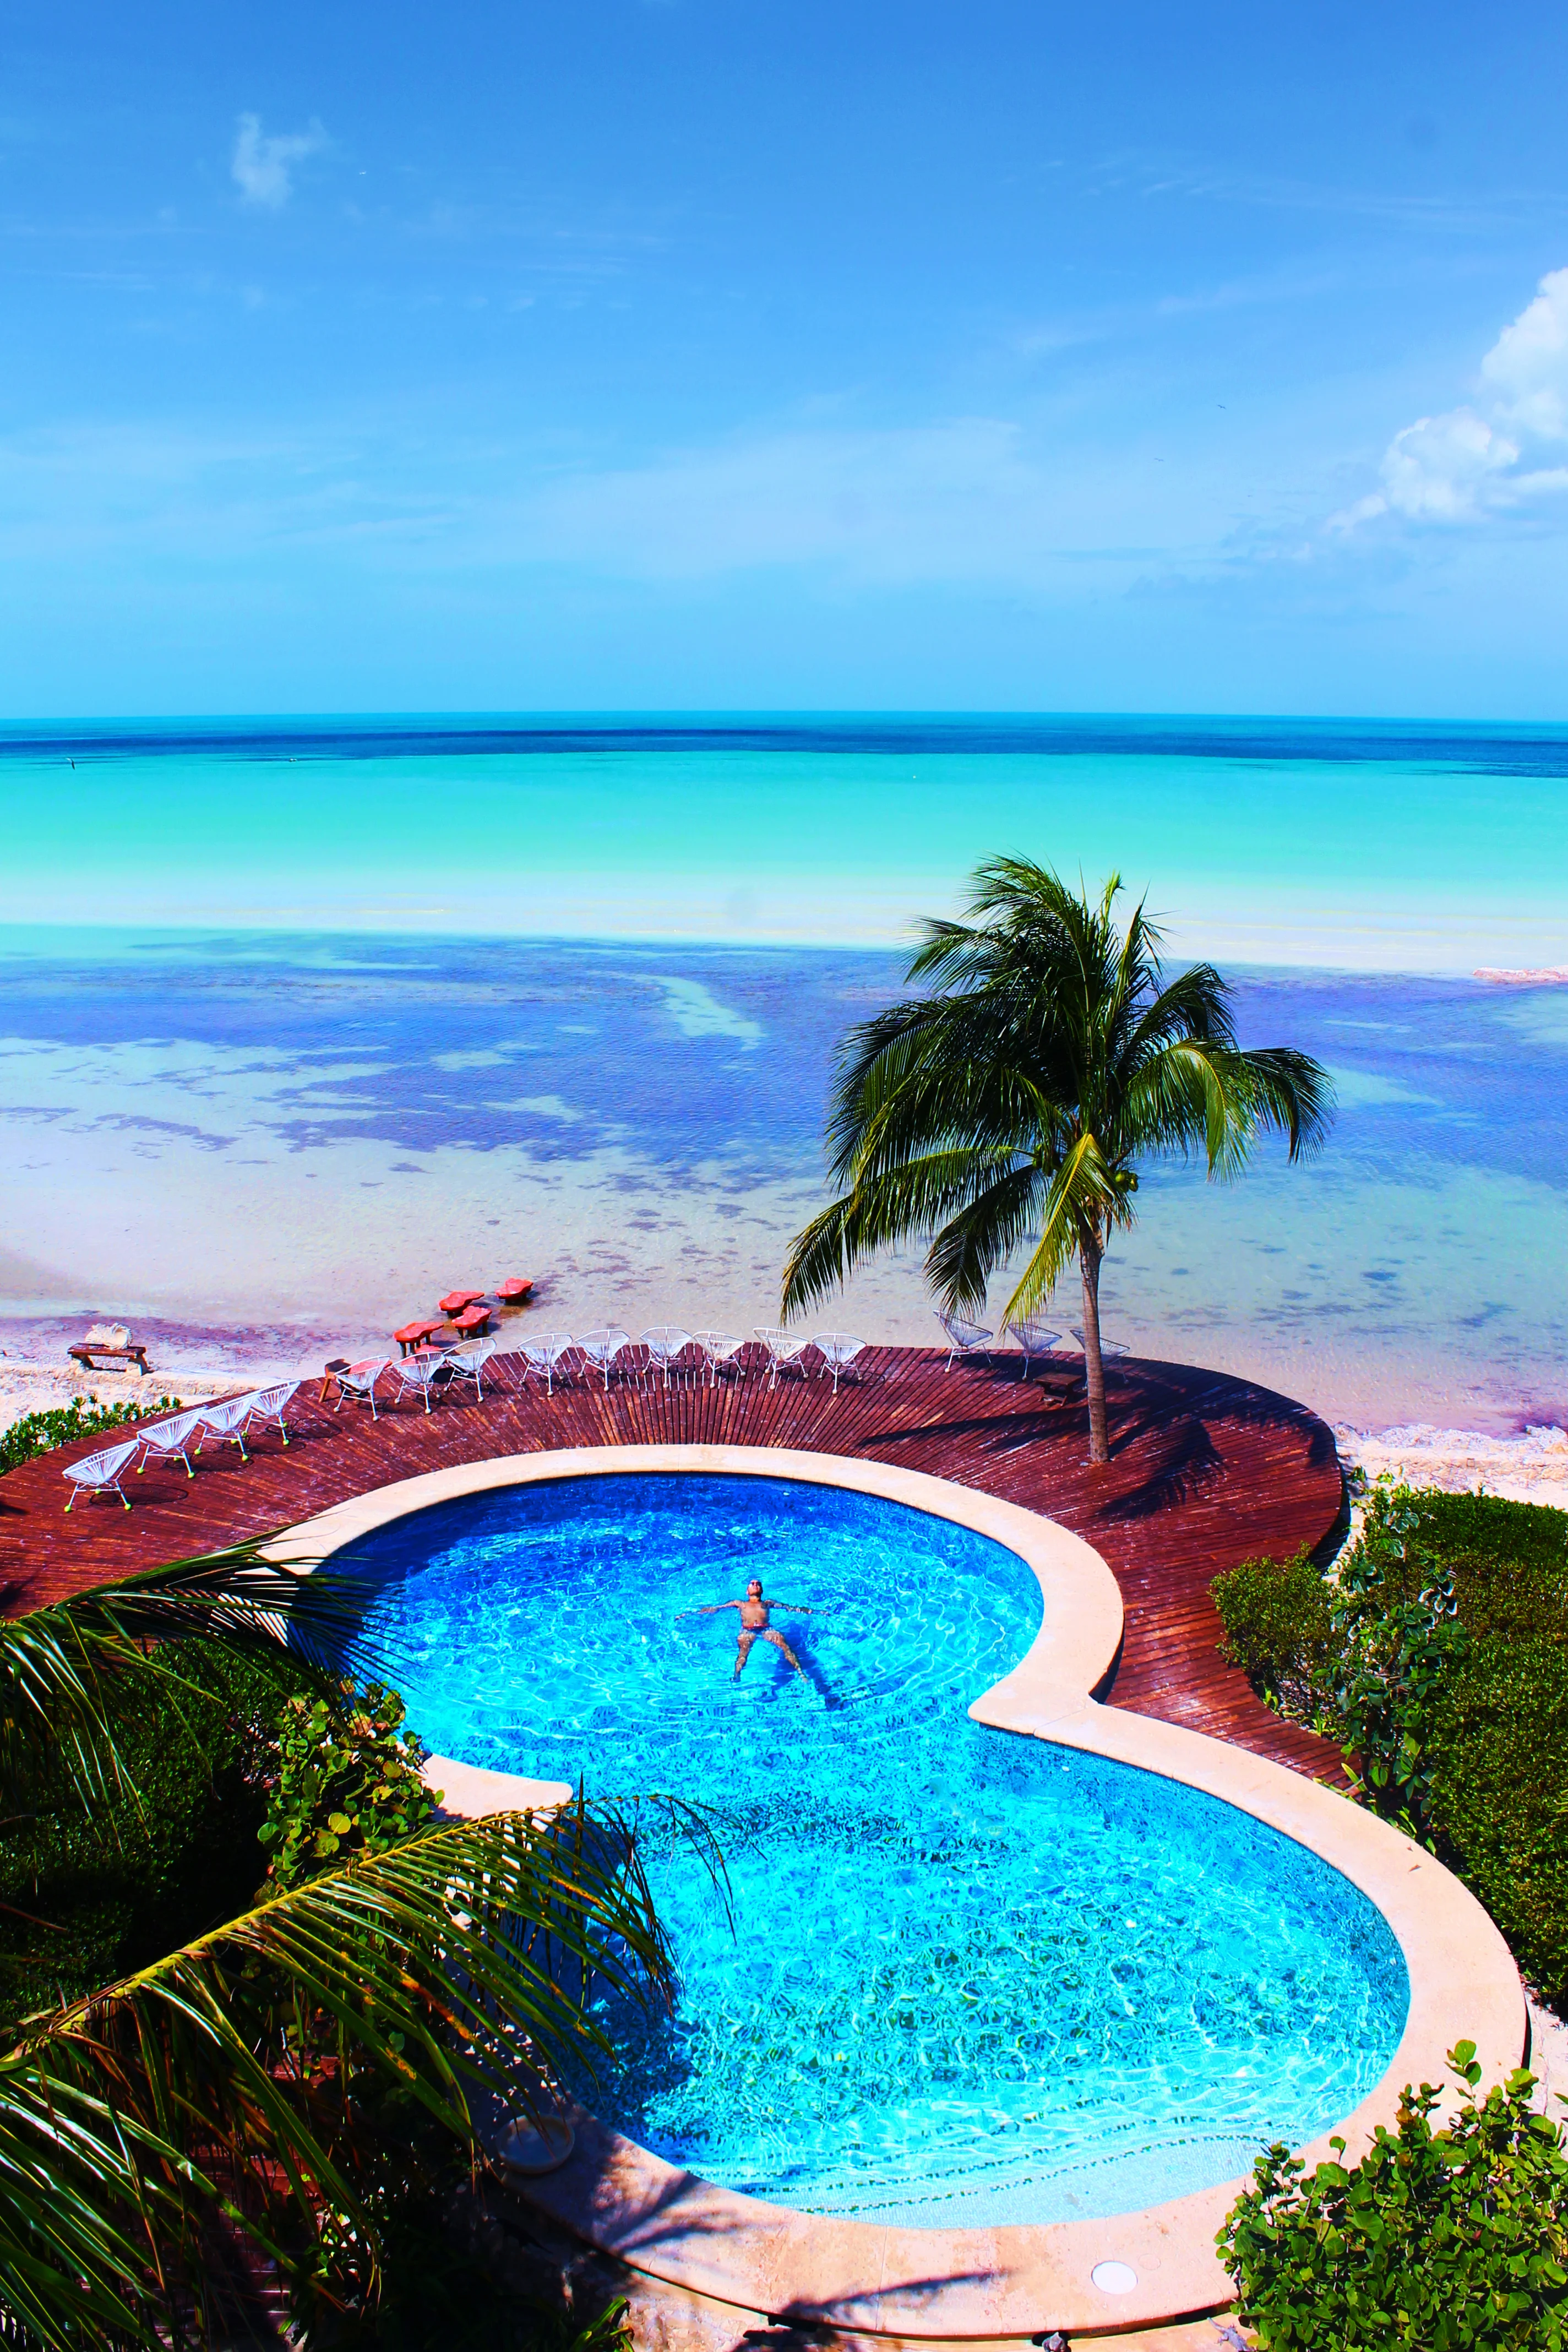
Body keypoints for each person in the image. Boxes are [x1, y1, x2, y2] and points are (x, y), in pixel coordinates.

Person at [700, 1576, 814, 1679]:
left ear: (762, 1590)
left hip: (766, 1629)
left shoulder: (768, 1603)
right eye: (752, 1584)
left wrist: (812, 1611)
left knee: (786, 1647)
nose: (755, 1585)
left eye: (758, 1584)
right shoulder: (739, 1603)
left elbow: (789, 1608)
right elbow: (718, 1607)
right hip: (747, 1630)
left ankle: (801, 1673)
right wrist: (694, 1613)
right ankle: (736, 1675)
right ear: (747, 1592)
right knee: (743, 1653)